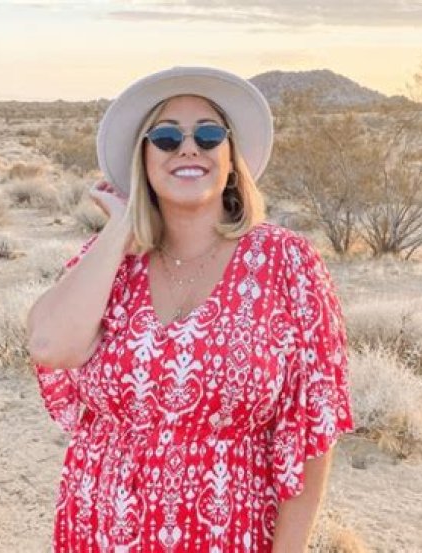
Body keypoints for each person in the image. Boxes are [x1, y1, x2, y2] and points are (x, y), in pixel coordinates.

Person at [26, 66, 354, 552]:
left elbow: (311, 433)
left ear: (231, 158)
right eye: (165, 137)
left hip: (227, 533)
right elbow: (50, 346)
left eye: (208, 135)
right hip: (99, 531)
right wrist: (121, 227)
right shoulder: (110, 263)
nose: (187, 148)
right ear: (142, 160)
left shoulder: (286, 262)